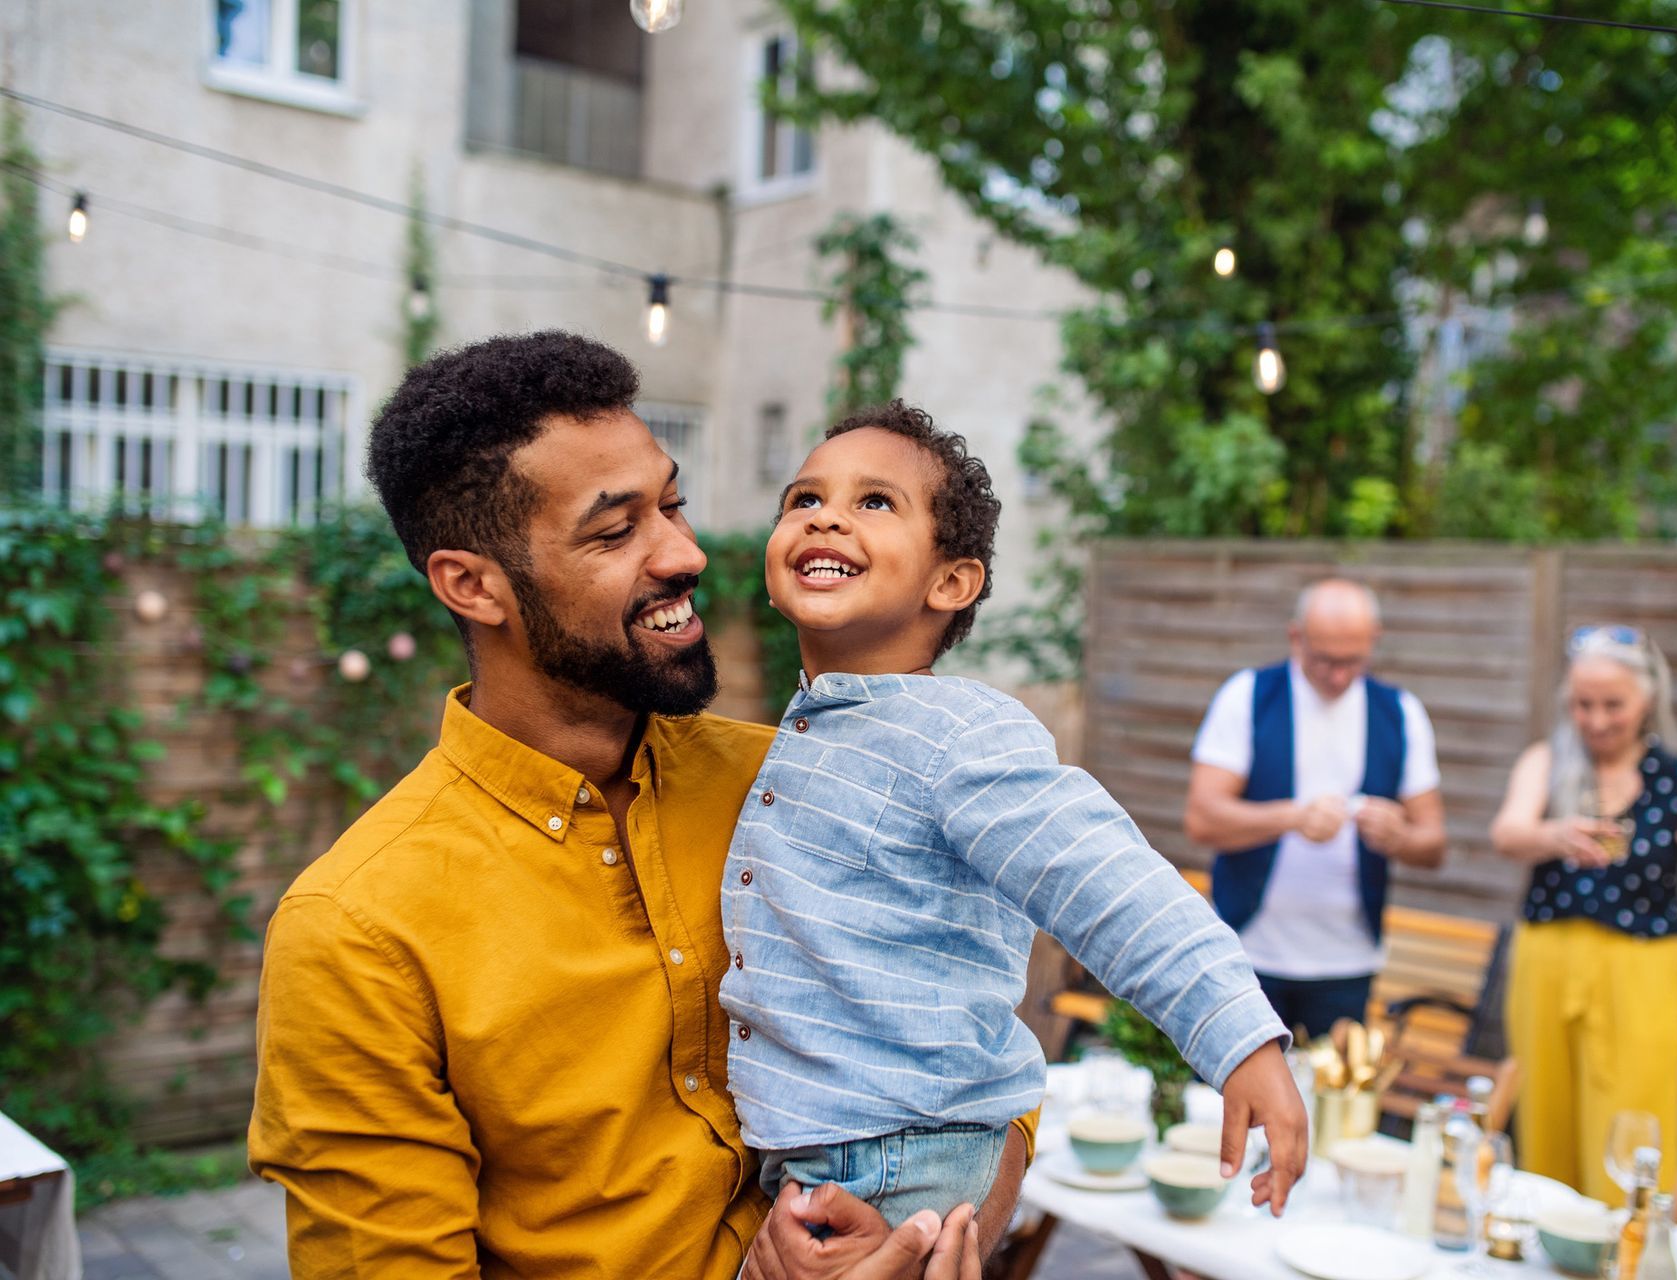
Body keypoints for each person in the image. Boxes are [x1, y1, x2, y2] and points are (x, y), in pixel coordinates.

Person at [247, 332, 1009, 1280]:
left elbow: (983, 1051)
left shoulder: (797, 779)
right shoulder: (357, 932)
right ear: (471, 585)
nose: (684, 553)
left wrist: (926, 1233)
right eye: (616, 532)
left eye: (674, 504)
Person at [722, 402, 1308, 1233]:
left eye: (875, 503)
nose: (826, 517)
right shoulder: (813, 727)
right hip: (828, 1149)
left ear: (951, 581)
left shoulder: (960, 733)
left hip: (894, 1152)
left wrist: (1240, 1041)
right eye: (803, 499)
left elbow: (1108, 884)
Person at [1490, 625, 1677, 1203]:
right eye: (1582, 704)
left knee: (1632, 1121)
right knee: (1544, 1111)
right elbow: (1507, 834)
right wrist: (1555, 834)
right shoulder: (1548, 761)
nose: (1595, 720)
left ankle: (1626, 1251)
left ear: (1648, 700)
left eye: (1612, 705)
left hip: (1640, 971)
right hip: (1546, 959)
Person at [1183, 580, 1447, 1038]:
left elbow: (1434, 845)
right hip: (1245, 953)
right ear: (1295, 637)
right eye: (1325, 659)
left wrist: (1398, 837)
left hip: (1348, 961)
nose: (1338, 676)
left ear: (1375, 640)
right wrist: (1293, 818)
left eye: (1353, 660)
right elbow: (1201, 819)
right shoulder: (1247, 696)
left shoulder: (1402, 712)